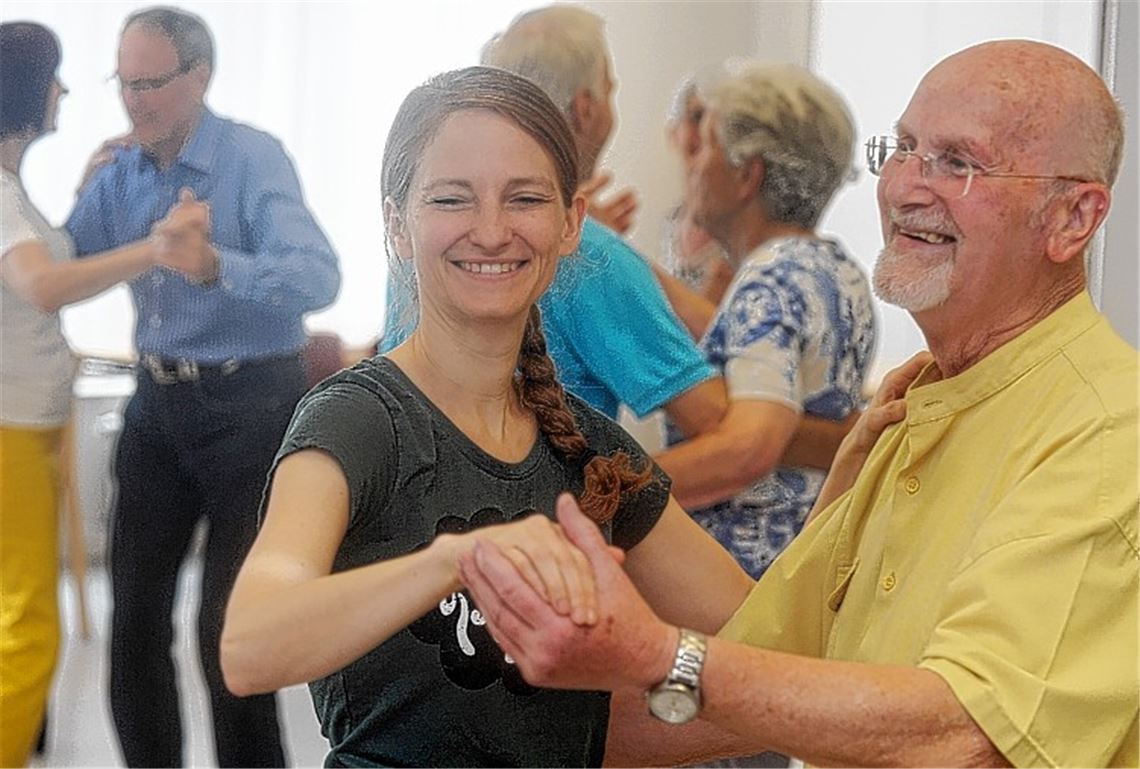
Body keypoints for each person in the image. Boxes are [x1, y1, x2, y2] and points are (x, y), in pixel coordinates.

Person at [459, 40, 1138, 768]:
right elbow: (765, 667)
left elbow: (968, 735)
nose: (906, 185)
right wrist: (465, 735)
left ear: (1073, 219)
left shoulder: (1106, 432)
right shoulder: (906, 414)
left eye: (959, 162)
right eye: (903, 148)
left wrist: (658, 651)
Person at [219, 65, 754, 767]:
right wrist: (457, 558)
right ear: (397, 225)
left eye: (524, 198)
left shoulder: (592, 450)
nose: (493, 231)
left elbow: (764, 640)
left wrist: (846, 493)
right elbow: (251, 646)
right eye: (452, 199)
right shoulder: (356, 421)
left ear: (570, 225)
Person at [383, 4, 851, 475]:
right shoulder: (591, 258)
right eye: (612, 88)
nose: (493, 234)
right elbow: (735, 433)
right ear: (588, 107)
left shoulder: (430, 235)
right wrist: (855, 438)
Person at [64, 7, 341, 766]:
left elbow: (319, 276)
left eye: (151, 83)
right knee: (135, 620)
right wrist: (77, 176)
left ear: (200, 77)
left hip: (251, 405)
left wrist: (220, 264)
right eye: (124, 82)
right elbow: (59, 263)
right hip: (156, 403)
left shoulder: (253, 158)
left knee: (230, 625)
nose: (135, 100)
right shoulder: (121, 167)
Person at [0, 21, 210, 767]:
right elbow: (41, 282)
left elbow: (42, 257)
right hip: (10, 431)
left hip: (26, 425)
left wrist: (88, 187)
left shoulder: (14, 189)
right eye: (54, 78)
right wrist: (157, 249)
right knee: (31, 629)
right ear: (26, 92)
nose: (64, 92)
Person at [653, 62, 877, 579]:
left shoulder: (768, 282)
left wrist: (597, 499)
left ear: (746, 173)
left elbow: (747, 450)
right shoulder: (834, 270)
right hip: (809, 559)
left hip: (744, 574)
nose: (693, 167)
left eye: (707, 147)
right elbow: (750, 352)